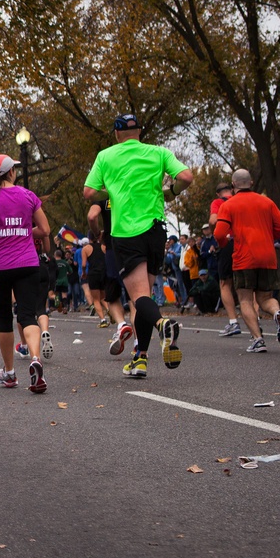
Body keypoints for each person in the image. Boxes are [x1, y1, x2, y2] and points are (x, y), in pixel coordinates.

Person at [83, 113, 191, 378]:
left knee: (139, 297)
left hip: (126, 232)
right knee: (144, 297)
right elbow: (186, 177)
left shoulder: (106, 156)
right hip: (156, 229)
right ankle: (140, 359)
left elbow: (88, 192)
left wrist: (111, 193)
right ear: (139, 132)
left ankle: (162, 323)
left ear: (117, 134)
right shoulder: (158, 152)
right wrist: (171, 192)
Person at [0, 154, 51, 393]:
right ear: (10, 172)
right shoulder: (28, 195)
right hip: (27, 263)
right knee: (27, 315)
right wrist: (24, 231)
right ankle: (35, 358)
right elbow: (46, 230)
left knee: (5, 317)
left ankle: (9, 373)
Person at [212, 169, 280, 353]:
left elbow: (219, 233)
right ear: (252, 182)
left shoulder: (229, 205)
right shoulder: (266, 201)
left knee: (245, 299)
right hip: (267, 256)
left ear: (233, 185)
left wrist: (224, 244)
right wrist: (268, 236)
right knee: (265, 298)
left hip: (243, 257)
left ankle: (258, 339)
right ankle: (277, 313)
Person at [88, 199, 133, 356]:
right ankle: (139, 345)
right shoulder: (130, 189)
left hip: (112, 246)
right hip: (132, 244)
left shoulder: (104, 197)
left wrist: (98, 233)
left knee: (112, 295)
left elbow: (92, 216)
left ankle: (121, 325)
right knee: (134, 297)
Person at [210, 183, 242, 334]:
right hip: (244, 242)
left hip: (227, 242)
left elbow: (213, 221)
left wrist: (214, 234)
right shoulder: (239, 200)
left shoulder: (218, 202)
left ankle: (233, 321)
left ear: (218, 193)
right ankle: (255, 319)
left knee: (225, 283)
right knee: (246, 285)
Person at [82, 236, 109, 326]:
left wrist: (84, 273)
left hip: (93, 273)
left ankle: (103, 320)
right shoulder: (104, 247)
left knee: (96, 299)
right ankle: (110, 310)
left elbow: (84, 264)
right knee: (103, 296)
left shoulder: (86, 248)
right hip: (104, 272)